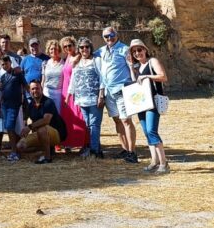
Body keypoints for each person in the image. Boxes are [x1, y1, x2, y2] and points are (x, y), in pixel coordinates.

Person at [128, 39, 170, 174]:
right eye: (134, 51)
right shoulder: (137, 67)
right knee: (147, 132)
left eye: (139, 50)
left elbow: (163, 77)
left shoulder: (153, 62)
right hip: (142, 103)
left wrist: (147, 76)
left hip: (153, 102)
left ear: (145, 49)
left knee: (152, 131)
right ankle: (154, 161)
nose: (137, 53)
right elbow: (135, 84)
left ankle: (163, 163)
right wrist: (130, 67)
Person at [96, 26, 137, 162]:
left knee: (126, 120)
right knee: (117, 120)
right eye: (106, 36)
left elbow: (133, 67)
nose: (109, 38)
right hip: (108, 92)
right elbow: (88, 54)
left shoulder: (124, 49)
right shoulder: (102, 51)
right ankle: (125, 149)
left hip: (121, 90)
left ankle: (132, 152)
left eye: (111, 35)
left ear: (116, 35)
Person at [68, 38, 105, 158]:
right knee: (88, 125)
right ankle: (96, 149)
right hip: (81, 98)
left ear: (91, 48)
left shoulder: (97, 60)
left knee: (94, 124)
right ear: (79, 49)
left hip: (94, 98)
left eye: (87, 47)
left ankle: (94, 151)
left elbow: (102, 78)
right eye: (82, 47)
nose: (85, 49)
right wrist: (70, 95)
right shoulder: (77, 62)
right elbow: (73, 79)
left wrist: (101, 95)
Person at [16, 80, 67, 164]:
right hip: (40, 134)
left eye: (37, 88)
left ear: (41, 89)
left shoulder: (48, 102)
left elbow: (46, 120)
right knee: (20, 146)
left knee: (41, 128)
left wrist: (29, 127)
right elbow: (25, 119)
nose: (35, 91)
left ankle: (47, 158)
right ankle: (46, 148)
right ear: (29, 90)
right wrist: (23, 130)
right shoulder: (31, 105)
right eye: (32, 89)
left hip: (56, 133)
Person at [58, 36, 88, 151]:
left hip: (76, 92)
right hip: (65, 93)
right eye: (65, 46)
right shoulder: (67, 58)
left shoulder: (79, 57)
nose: (67, 48)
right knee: (68, 119)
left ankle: (83, 143)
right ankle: (69, 143)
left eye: (69, 45)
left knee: (80, 117)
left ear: (74, 45)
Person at [0, 54, 26, 162]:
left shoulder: (18, 75)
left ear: (10, 63)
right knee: (9, 128)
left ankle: (15, 152)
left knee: (10, 127)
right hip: (5, 105)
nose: (4, 66)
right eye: (2, 64)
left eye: (6, 63)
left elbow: (25, 86)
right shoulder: (3, 77)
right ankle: (14, 151)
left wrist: (32, 97)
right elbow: (1, 92)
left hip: (14, 105)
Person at [41, 40, 66, 116]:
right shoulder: (45, 63)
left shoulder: (64, 63)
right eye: (51, 49)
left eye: (56, 48)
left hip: (58, 93)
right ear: (48, 50)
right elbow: (43, 80)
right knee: (46, 114)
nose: (53, 50)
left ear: (59, 50)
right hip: (47, 92)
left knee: (57, 115)